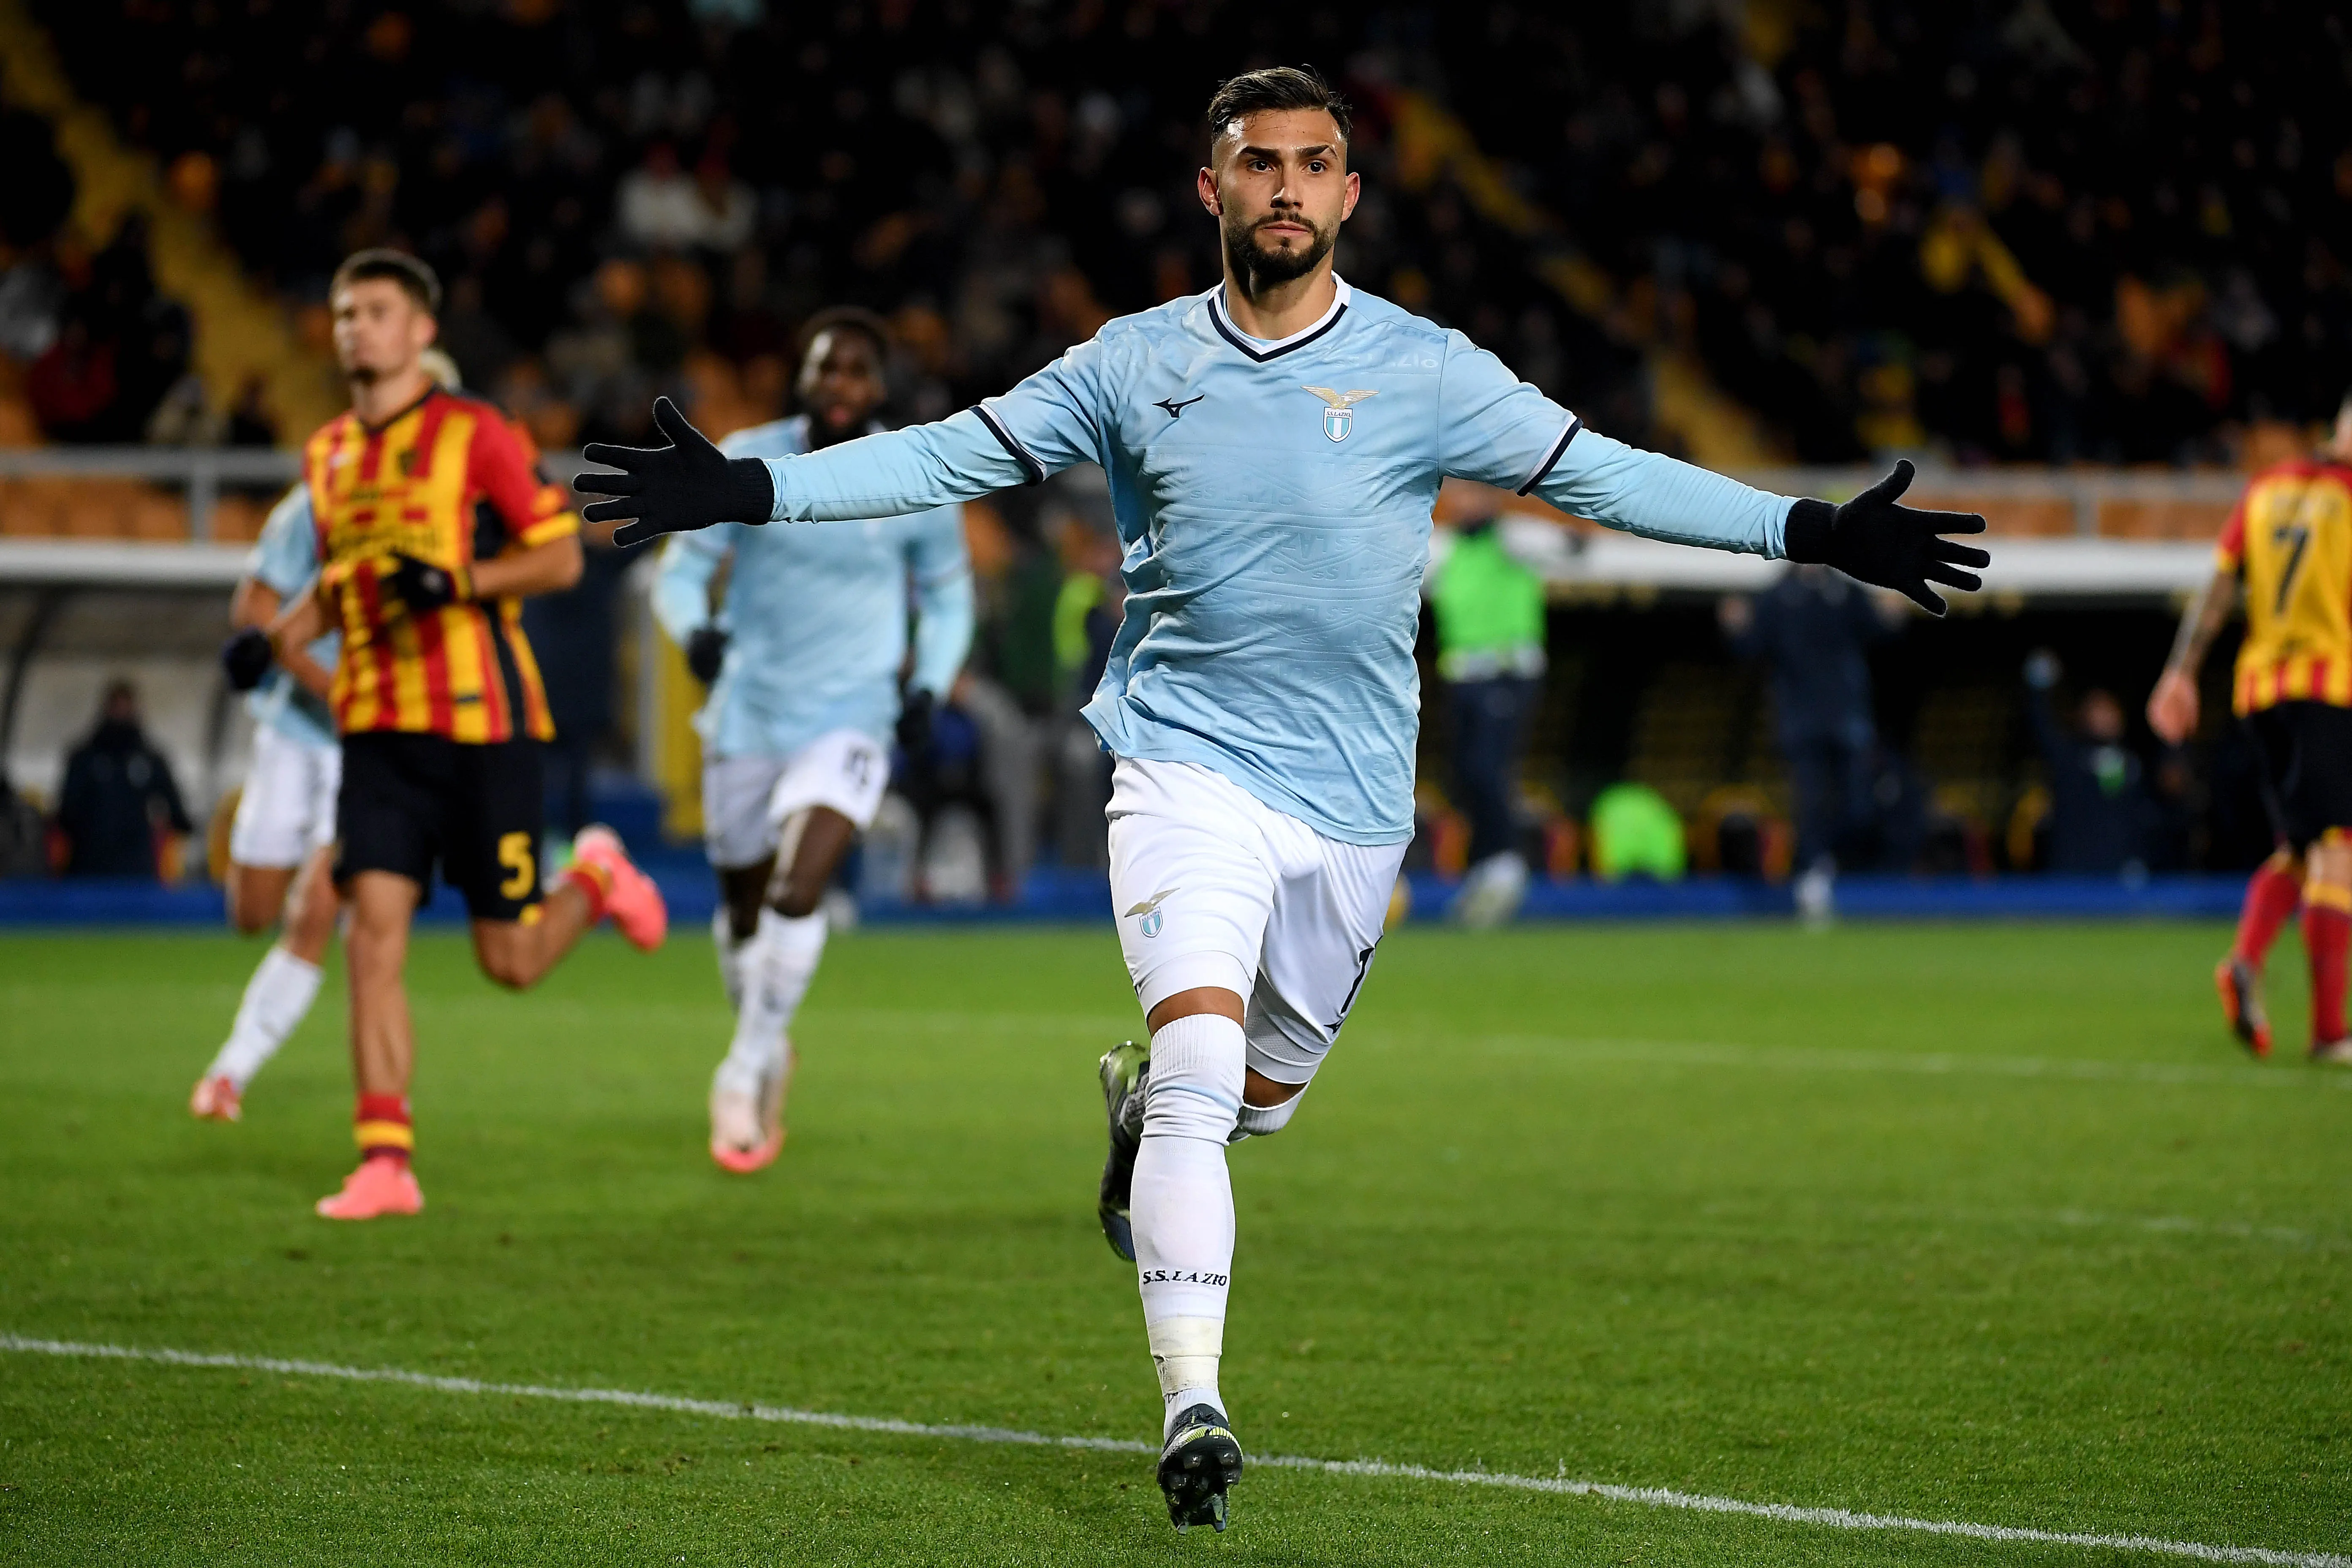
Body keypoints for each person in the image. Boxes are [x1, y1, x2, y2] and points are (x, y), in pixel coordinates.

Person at [577, 66, 1987, 1531]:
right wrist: (752, 491)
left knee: (1256, 1101)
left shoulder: (1425, 369)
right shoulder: (1130, 363)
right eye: (1259, 164)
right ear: (1212, 188)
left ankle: (1150, 1129)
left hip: (1352, 809)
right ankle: (1193, 1402)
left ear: (1349, 194)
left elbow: (1603, 479)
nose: (1286, 189)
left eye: (1314, 164)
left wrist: (1806, 527)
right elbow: (950, 454)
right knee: (1199, 1072)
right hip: (1180, 767)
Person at [258, 248, 670, 1221]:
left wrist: (458, 582)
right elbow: (344, 578)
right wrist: (277, 637)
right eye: (344, 311)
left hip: (483, 730)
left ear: (420, 331)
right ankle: (385, 1160)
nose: (355, 325)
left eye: (375, 311)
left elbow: (559, 558)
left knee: (510, 961)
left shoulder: (474, 434)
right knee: (372, 938)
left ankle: (599, 877)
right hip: (378, 738)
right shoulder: (325, 456)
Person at [649, 307, 973, 1172]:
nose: (841, 386)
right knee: (745, 910)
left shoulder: (913, 469)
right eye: (828, 369)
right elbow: (679, 573)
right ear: (804, 377)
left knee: (800, 889)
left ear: (881, 385)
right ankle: (765, 1035)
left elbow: (948, 599)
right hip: (750, 710)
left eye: (858, 371)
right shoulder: (751, 454)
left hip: (853, 714)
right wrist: (695, 632)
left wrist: (929, 683)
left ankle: (744, 1065)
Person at [2149, 391, 2352, 1062]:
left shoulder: (2266, 488)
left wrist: (2181, 670)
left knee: (2301, 847)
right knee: (2339, 849)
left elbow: (2219, 586)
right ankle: (2328, 1035)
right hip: (2330, 687)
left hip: (2260, 692)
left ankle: (2245, 961)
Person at [194, 484, 343, 1121]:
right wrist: (326, 685)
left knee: (316, 914)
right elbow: (254, 604)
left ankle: (229, 1074)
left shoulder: (440, 504)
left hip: (369, 748)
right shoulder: (318, 503)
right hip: (292, 729)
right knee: (251, 911)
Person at [1719, 565, 1906, 919]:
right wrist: (1736, 627)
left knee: (1860, 806)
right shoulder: (1778, 596)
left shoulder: (1844, 591)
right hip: (1801, 722)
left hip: (1848, 719)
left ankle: (1830, 864)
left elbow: (1880, 631)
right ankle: (1813, 874)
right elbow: (1751, 645)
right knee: (1811, 805)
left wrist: (1892, 616)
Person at [1427, 514, 1548, 926]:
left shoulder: (1515, 535)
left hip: (1505, 669)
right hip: (1463, 675)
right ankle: (1485, 863)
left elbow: (1574, 547)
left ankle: (1506, 863)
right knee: (1465, 775)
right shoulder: (1445, 545)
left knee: (1486, 769)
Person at [2022, 652, 2151, 876]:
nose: (2106, 716)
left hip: (2121, 871)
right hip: (2073, 872)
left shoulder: (2134, 759)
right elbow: (2041, 728)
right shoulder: (2069, 756)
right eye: (2097, 709)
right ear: (2084, 715)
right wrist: (2038, 688)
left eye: (2110, 709)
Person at [55, 680, 190, 877]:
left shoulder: (150, 759)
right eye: (117, 707)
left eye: (126, 707)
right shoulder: (84, 758)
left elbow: (176, 810)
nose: (121, 713)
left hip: (136, 866)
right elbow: (67, 811)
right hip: (89, 865)